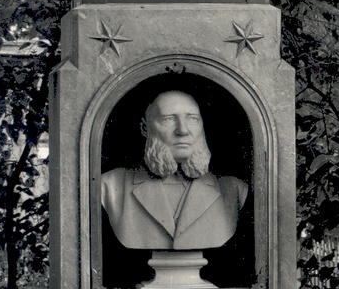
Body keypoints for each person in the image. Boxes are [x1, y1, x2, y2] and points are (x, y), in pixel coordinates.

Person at [101, 90, 248, 250]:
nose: (182, 130)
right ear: (144, 128)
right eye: (168, 119)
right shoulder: (109, 186)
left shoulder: (235, 190)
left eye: (192, 119)